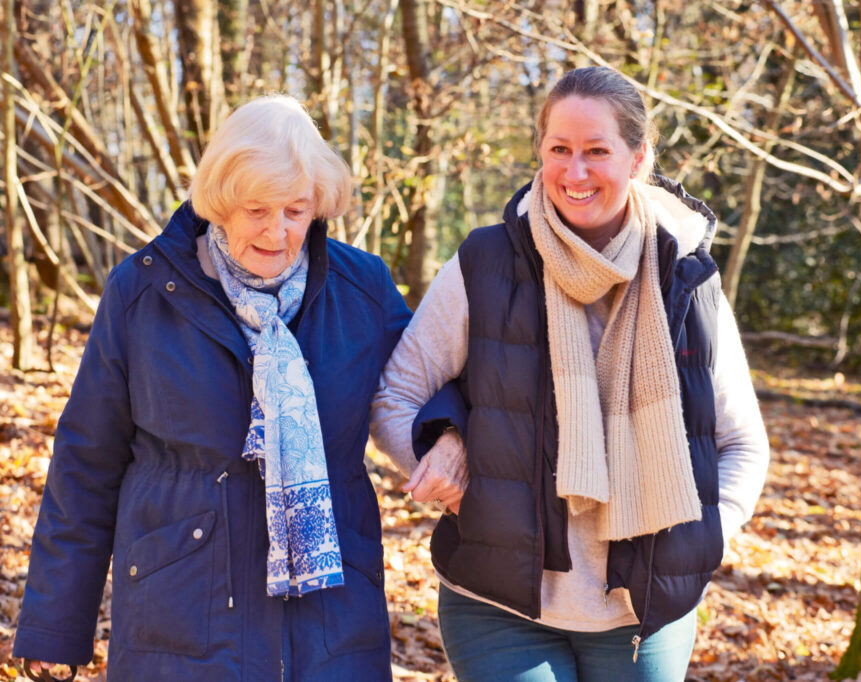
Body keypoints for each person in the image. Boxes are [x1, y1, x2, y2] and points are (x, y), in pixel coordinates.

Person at [371, 66, 770, 681]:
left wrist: (704, 534)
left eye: (596, 152)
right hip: (497, 601)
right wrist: (446, 466)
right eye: (559, 149)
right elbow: (396, 394)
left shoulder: (686, 279)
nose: (574, 172)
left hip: (642, 611)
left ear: (638, 158)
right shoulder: (486, 264)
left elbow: (742, 442)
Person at [14, 95, 418, 681]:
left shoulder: (364, 290)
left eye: (295, 210)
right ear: (221, 201)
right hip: (181, 619)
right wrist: (55, 625)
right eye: (256, 209)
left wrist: (448, 435)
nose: (277, 233)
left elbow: (427, 385)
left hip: (332, 626)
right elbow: (86, 465)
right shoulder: (143, 294)